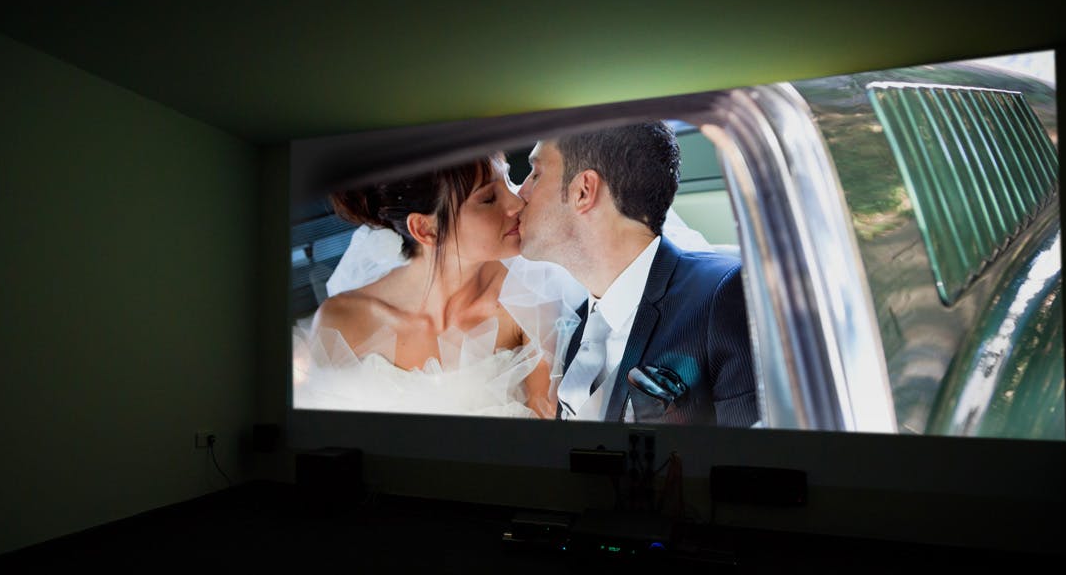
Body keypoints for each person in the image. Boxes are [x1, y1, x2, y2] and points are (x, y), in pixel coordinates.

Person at [516, 122, 758, 426]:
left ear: (583, 191)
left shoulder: (721, 297)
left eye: (536, 174)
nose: (520, 193)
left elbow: (752, 463)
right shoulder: (579, 327)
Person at [295, 153, 572, 419]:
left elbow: (548, 433)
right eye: (488, 198)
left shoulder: (530, 295)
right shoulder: (341, 322)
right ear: (425, 229)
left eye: (508, 179)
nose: (516, 203)